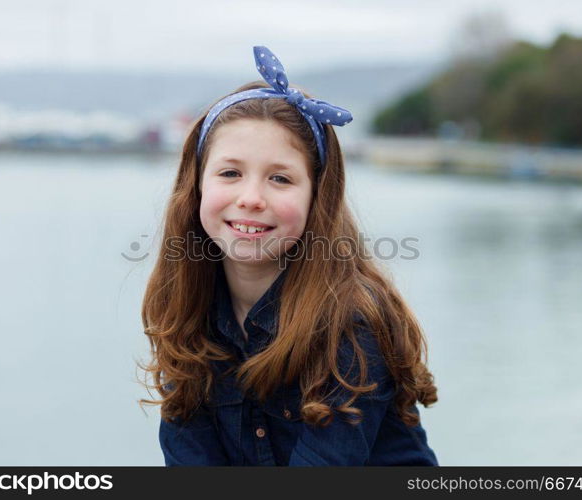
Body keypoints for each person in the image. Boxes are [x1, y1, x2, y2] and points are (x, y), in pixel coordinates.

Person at [139, 45, 438, 466]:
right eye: (230, 173)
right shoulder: (186, 308)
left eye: (280, 178)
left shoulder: (351, 321)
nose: (251, 198)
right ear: (197, 185)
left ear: (318, 198)